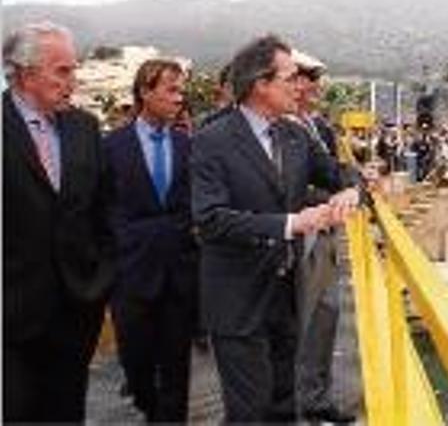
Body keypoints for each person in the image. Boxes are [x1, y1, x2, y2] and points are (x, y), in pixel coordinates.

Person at [190, 34, 360, 422]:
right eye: (289, 76)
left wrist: (350, 189)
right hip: (237, 300)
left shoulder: (295, 135)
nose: (299, 85)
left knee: (284, 405)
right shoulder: (212, 139)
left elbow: (339, 171)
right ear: (260, 84)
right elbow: (211, 219)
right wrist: (291, 223)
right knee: (249, 412)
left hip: (285, 295)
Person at [3, 21, 115, 422]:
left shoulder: (84, 129)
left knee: (66, 414)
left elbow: (105, 212)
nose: (73, 80)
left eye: (74, 69)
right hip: (11, 322)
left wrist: (102, 281)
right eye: (62, 70)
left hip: (76, 313)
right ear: (25, 73)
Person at [103, 59, 198, 422]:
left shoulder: (187, 143)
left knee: (177, 369)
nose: (180, 97)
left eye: (181, 89)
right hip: (130, 277)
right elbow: (101, 209)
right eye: (171, 90)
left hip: (179, 274)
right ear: (145, 92)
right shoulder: (112, 146)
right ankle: (147, 404)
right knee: (137, 365)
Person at [287, 49, 358, 423]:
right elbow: (289, 189)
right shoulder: (281, 127)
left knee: (325, 318)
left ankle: (316, 398)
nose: (316, 85)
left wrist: (352, 187)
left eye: (317, 77)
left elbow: (334, 170)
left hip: (325, 232)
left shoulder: (316, 126)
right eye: (309, 76)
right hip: (298, 235)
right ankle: (296, 401)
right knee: (301, 322)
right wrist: (331, 199)